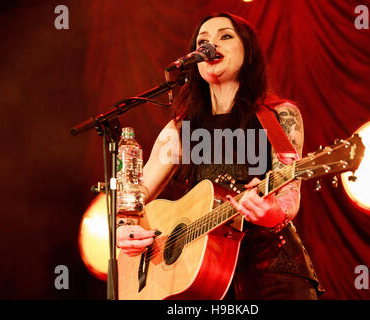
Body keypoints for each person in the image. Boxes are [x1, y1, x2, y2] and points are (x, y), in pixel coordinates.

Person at [116, 12, 323, 300]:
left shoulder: (279, 115)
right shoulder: (180, 127)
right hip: (202, 274)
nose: (211, 45)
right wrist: (125, 226)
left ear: (248, 52)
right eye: (203, 41)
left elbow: (290, 193)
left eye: (225, 36)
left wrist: (274, 211)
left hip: (271, 267)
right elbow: (137, 192)